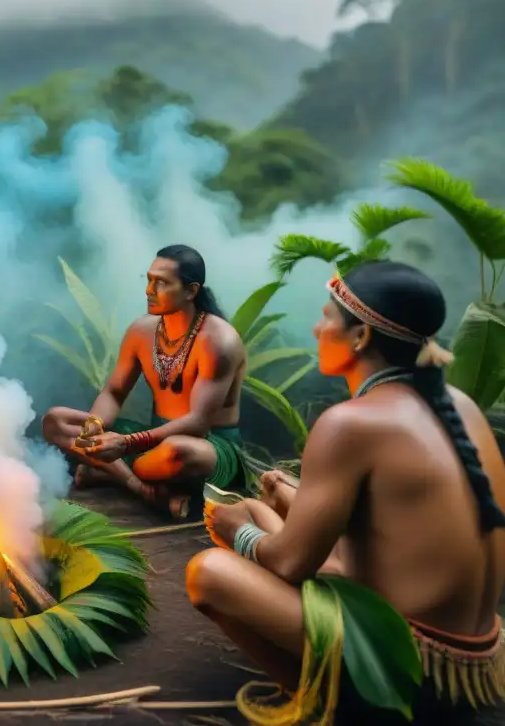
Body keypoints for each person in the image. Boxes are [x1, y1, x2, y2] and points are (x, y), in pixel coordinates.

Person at [188, 261, 505, 724]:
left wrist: (238, 534)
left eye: (326, 317)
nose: (317, 327)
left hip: (407, 663)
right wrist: (285, 497)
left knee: (209, 572)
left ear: (360, 337)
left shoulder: (349, 424)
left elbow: (293, 564)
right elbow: (384, 532)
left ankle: (326, 703)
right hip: (477, 659)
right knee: (259, 504)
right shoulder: (462, 406)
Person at [41, 244, 250, 519]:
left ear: (190, 291)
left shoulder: (219, 341)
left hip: (206, 446)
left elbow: (198, 423)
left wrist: (125, 444)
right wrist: (95, 426)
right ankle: (141, 488)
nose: (149, 290)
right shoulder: (141, 331)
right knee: (56, 421)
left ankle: (111, 472)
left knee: (177, 452)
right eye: (149, 280)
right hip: (150, 444)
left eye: (161, 283)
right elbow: (114, 392)